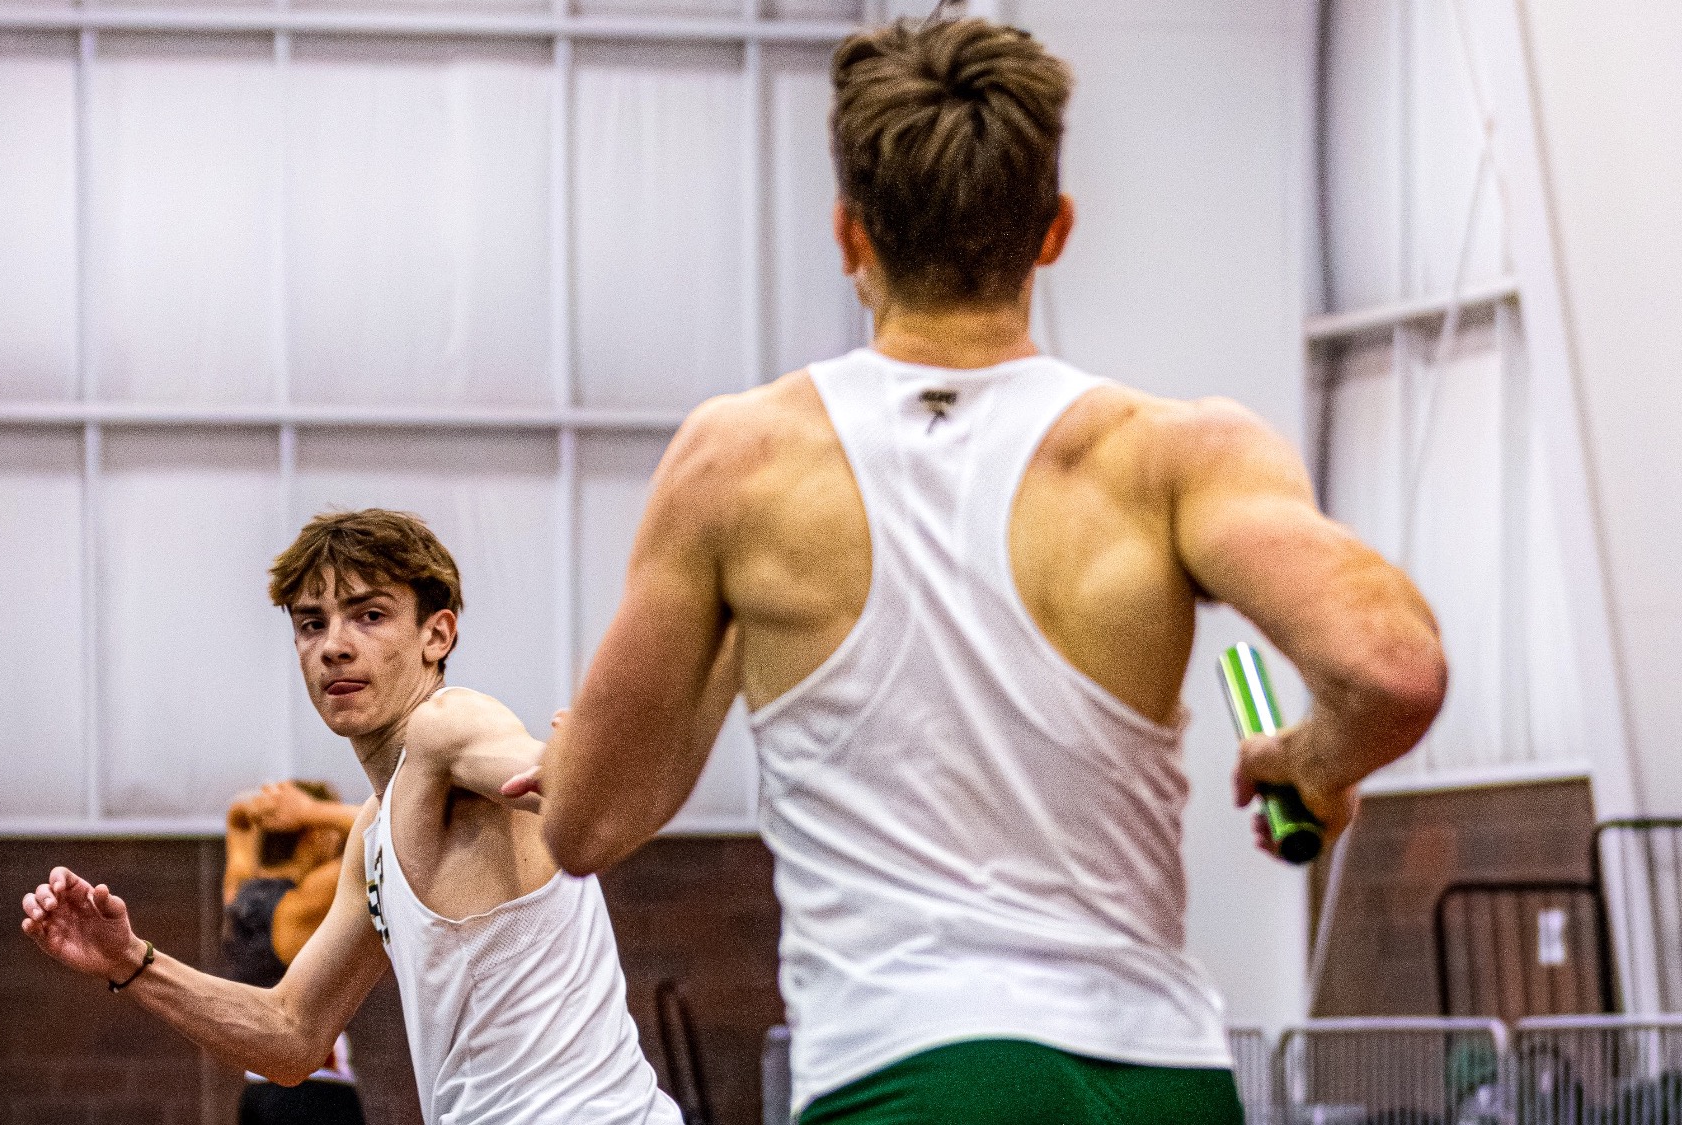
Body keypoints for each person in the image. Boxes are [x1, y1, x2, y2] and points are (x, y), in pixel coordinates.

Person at [527, 14, 1448, 1125]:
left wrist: (740, 621)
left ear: (847, 233)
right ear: (1053, 229)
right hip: (1158, 1075)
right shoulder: (1175, 453)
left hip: (909, 1070)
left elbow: (583, 824)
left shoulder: (740, 465)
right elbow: (1390, 671)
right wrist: (1312, 765)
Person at [21, 508, 684, 1125]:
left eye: (368, 616)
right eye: (312, 624)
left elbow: (533, 772)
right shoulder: (372, 831)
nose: (334, 645)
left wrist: (578, 770)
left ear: (437, 633)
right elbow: (293, 1033)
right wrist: (130, 960)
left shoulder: (446, 725)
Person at [221, 780, 363, 1125]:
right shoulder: (307, 901)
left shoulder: (238, 891)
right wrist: (313, 811)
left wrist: (255, 809)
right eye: (330, 831)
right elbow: (383, 832)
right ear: (314, 834)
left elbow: (236, 820)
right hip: (315, 1094)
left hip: (257, 1092)